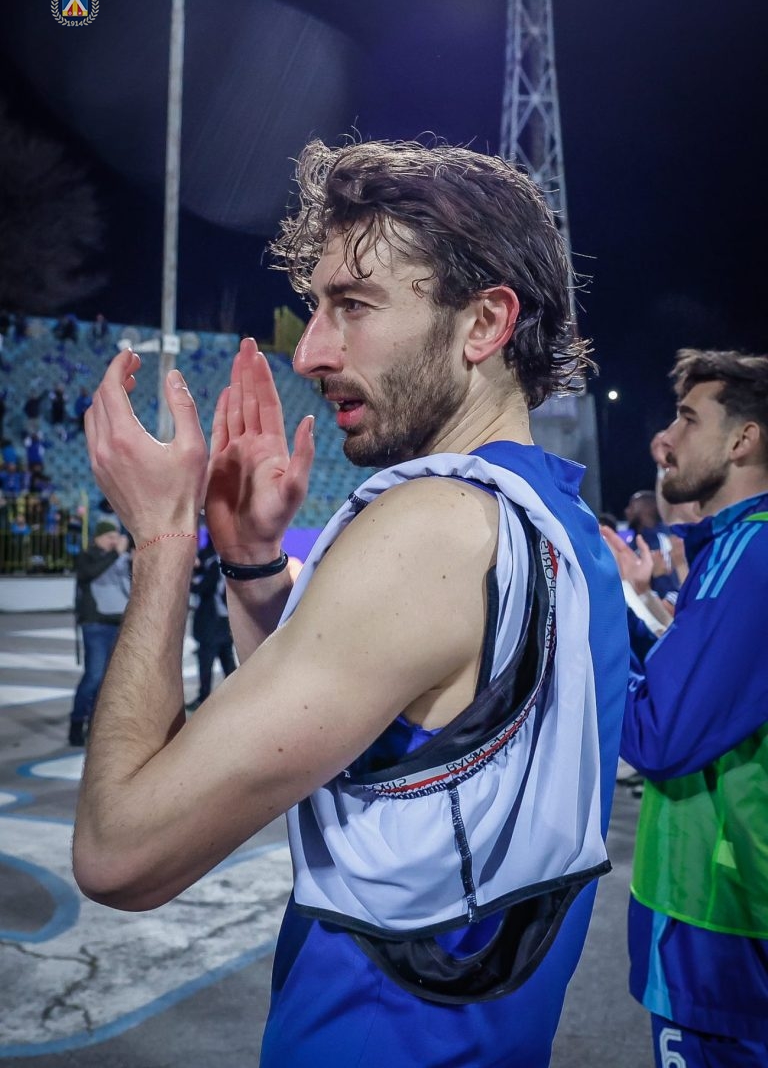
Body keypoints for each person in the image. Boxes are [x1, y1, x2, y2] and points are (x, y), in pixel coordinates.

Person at [72, 139, 628, 1067]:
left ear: (485, 321)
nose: (312, 351)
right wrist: (252, 563)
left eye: (354, 305)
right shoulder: (564, 527)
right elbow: (352, 740)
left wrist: (163, 540)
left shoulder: (430, 527)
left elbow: (118, 854)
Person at [617, 349, 768, 1066]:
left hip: (715, 913)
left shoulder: (752, 549)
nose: (663, 439)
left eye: (686, 418)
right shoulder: (732, 549)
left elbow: (660, 733)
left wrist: (581, 630)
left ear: (743, 440)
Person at [69, 520, 132, 747]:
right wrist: (116, 555)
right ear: (97, 538)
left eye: (116, 537)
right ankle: (77, 722)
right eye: (109, 537)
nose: (114, 541)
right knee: (94, 676)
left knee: (109, 680)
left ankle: (96, 725)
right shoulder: (87, 556)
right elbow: (90, 573)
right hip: (95, 623)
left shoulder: (122, 558)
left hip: (118, 623)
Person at [189, 541, 237, 710]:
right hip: (225, 620)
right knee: (227, 660)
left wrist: (189, 579)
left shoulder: (215, 564)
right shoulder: (229, 563)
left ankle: (204, 698)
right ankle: (238, 694)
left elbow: (203, 588)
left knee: (206, 661)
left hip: (212, 622)